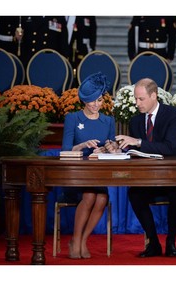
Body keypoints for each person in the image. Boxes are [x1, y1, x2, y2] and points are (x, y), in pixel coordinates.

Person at [106, 78, 176, 258]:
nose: (137, 103)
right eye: (135, 99)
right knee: (134, 194)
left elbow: (170, 147)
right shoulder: (135, 121)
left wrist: (138, 142)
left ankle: (171, 241)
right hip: (147, 177)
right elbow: (136, 151)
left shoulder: (174, 115)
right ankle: (154, 243)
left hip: (173, 177)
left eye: (141, 99)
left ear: (154, 96)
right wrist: (119, 149)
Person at [61, 72, 116, 259]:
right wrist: (83, 146)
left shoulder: (108, 121)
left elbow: (112, 149)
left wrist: (107, 149)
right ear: (84, 100)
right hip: (75, 175)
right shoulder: (73, 119)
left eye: (99, 100)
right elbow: (66, 151)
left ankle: (82, 240)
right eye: (92, 100)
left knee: (101, 198)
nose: (96, 105)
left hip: (97, 174)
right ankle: (75, 240)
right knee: (90, 195)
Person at [66, 16, 97, 81]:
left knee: (82, 72)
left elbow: (92, 33)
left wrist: (91, 49)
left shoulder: (89, 17)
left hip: (83, 49)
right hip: (70, 49)